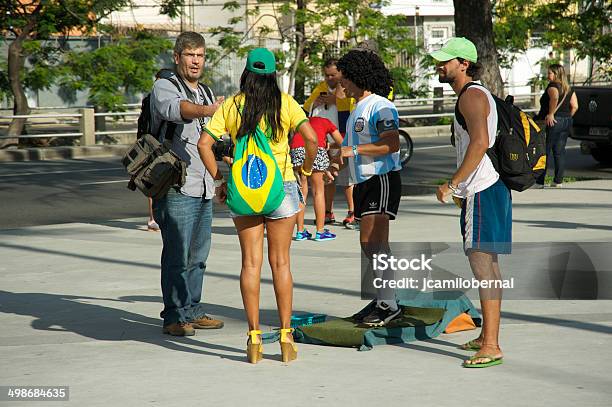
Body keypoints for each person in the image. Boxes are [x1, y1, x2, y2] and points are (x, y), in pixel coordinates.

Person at [197, 48, 318, 364]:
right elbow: (312, 139)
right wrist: (304, 170)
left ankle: (253, 340)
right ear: (273, 74)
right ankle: (286, 337)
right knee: (281, 264)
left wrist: (219, 181)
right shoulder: (285, 104)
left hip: (245, 188)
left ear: (246, 73)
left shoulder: (233, 105)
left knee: (250, 263)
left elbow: (204, 145)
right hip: (282, 187)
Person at [431, 37, 511, 368]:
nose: (440, 65)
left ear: (464, 64)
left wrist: (453, 184)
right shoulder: (472, 95)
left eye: (446, 60)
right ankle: (487, 337)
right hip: (487, 189)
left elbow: (479, 143)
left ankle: (491, 344)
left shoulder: (472, 96)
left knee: (483, 267)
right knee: (488, 266)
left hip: (482, 189)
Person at [149, 32, 225, 336]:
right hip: (176, 186)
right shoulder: (165, 86)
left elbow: (211, 137)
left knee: (198, 256)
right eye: (190, 55)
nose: (196, 61)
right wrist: (208, 111)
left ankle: (192, 309)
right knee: (176, 256)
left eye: (201, 55)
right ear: (177, 57)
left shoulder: (205, 91)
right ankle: (173, 316)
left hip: (204, 184)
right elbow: (174, 110)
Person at [335, 50, 402, 326]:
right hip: (363, 181)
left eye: (345, 79)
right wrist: (335, 166)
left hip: (381, 178)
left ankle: (390, 304)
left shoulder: (381, 106)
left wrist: (353, 149)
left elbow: (392, 143)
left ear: (358, 77)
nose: (342, 85)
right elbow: (350, 152)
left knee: (375, 243)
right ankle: (382, 297)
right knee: (368, 244)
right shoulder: (356, 110)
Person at [304, 59, 356, 228]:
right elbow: (308, 108)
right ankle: (328, 211)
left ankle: (352, 211)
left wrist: (335, 100)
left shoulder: (348, 86)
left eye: (333, 75)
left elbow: (351, 105)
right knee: (327, 178)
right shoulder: (320, 88)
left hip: (342, 137)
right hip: (324, 140)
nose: (330, 78)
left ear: (340, 73)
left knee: (347, 178)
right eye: (327, 75)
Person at [291, 116, 344, 241]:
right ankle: (320, 232)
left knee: (301, 192)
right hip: (316, 147)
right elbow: (342, 143)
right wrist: (329, 145)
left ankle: (300, 231)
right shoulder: (326, 121)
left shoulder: (300, 120)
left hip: (296, 149)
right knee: (318, 192)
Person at [534, 63, 578, 188]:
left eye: (550, 73)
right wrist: (567, 117)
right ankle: (558, 181)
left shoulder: (553, 87)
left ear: (556, 74)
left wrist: (551, 114)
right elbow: (575, 106)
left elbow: (554, 98)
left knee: (545, 151)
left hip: (553, 121)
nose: (547, 75)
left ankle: (540, 181)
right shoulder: (568, 88)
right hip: (566, 121)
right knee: (559, 152)